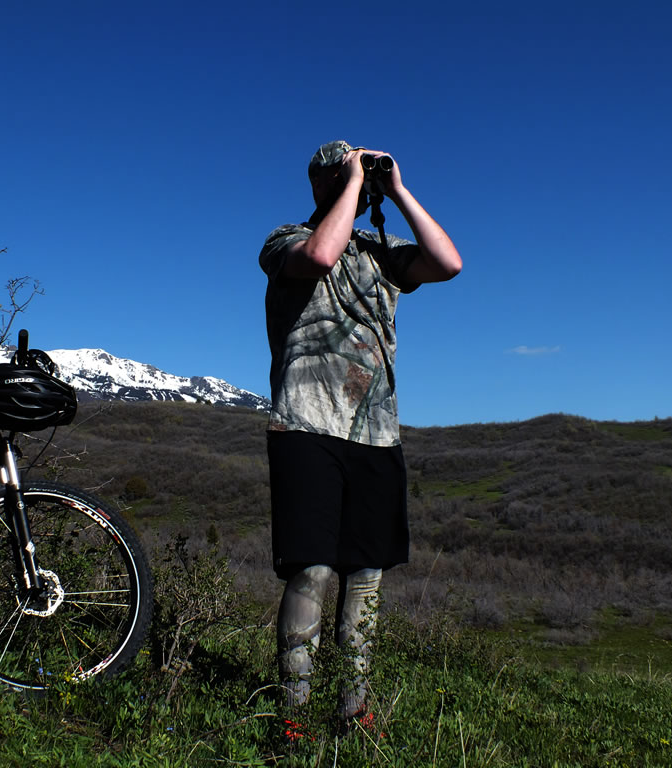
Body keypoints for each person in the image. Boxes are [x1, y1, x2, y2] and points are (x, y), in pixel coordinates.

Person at [259, 140, 462, 724]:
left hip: (376, 432)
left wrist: (396, 189)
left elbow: (448, 263)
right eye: (345, 169)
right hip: (306, 424)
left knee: (366, 576)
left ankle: (354, 711)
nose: (359, 175)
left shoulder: (382, 251)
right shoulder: (284, 239)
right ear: (320, 180)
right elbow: (321, 256)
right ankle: (294, 717)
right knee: (313, 568)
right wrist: (352, 182)